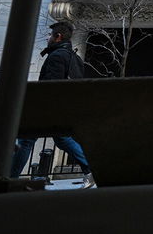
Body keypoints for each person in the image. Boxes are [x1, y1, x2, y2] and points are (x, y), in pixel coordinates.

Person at [10, 22, 96, 187]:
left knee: (26, 140)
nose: (48, 39)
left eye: (50, 36)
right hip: (62, 107)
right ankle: (90, 170)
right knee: (62, 139)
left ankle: (11, 178)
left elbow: (49, 86)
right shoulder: (75, 58)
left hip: (47, 108)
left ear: (58, 37)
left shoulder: (57, 56)